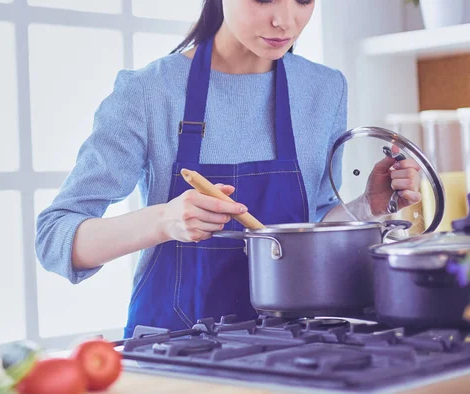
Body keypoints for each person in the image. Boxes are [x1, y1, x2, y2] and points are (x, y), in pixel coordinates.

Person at [35, 0, 421, 338]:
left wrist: (367, 205)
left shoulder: (324, 88)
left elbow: (311, 227)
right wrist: (164, 221)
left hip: (295, 346)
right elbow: (55, 238)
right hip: (174, 351)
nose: (284, 20)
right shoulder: (150, 91)